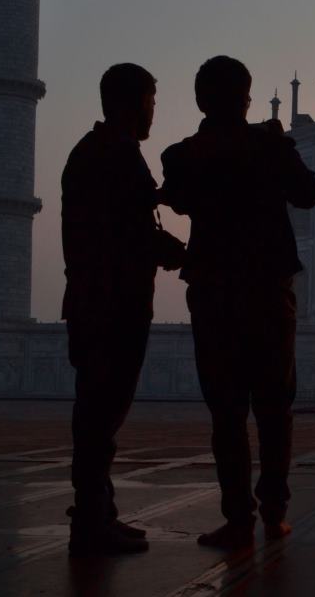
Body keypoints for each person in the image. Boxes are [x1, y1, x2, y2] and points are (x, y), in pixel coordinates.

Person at [161, 56, 315, 548]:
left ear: (200, 100)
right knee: (274, 407)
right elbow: (309, 194)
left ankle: (236, 520)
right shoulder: (269, 147)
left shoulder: (183, 154)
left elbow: (178, 199)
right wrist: (275, 144)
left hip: (213, 293)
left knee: (226, 412)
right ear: (247, 98)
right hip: (269, 293)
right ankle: (274, 511)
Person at [62, 63, 185, 556]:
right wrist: (174, 250)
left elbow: (130, 224)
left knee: (101, 415)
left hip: (108, 299)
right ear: (132, 103)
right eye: (152, 102)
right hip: (108, 303)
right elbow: (124, 234)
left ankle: (99, 513)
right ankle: (91, 521)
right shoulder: (109, 155)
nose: (154, 112)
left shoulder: (104, 152)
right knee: (98, 415)